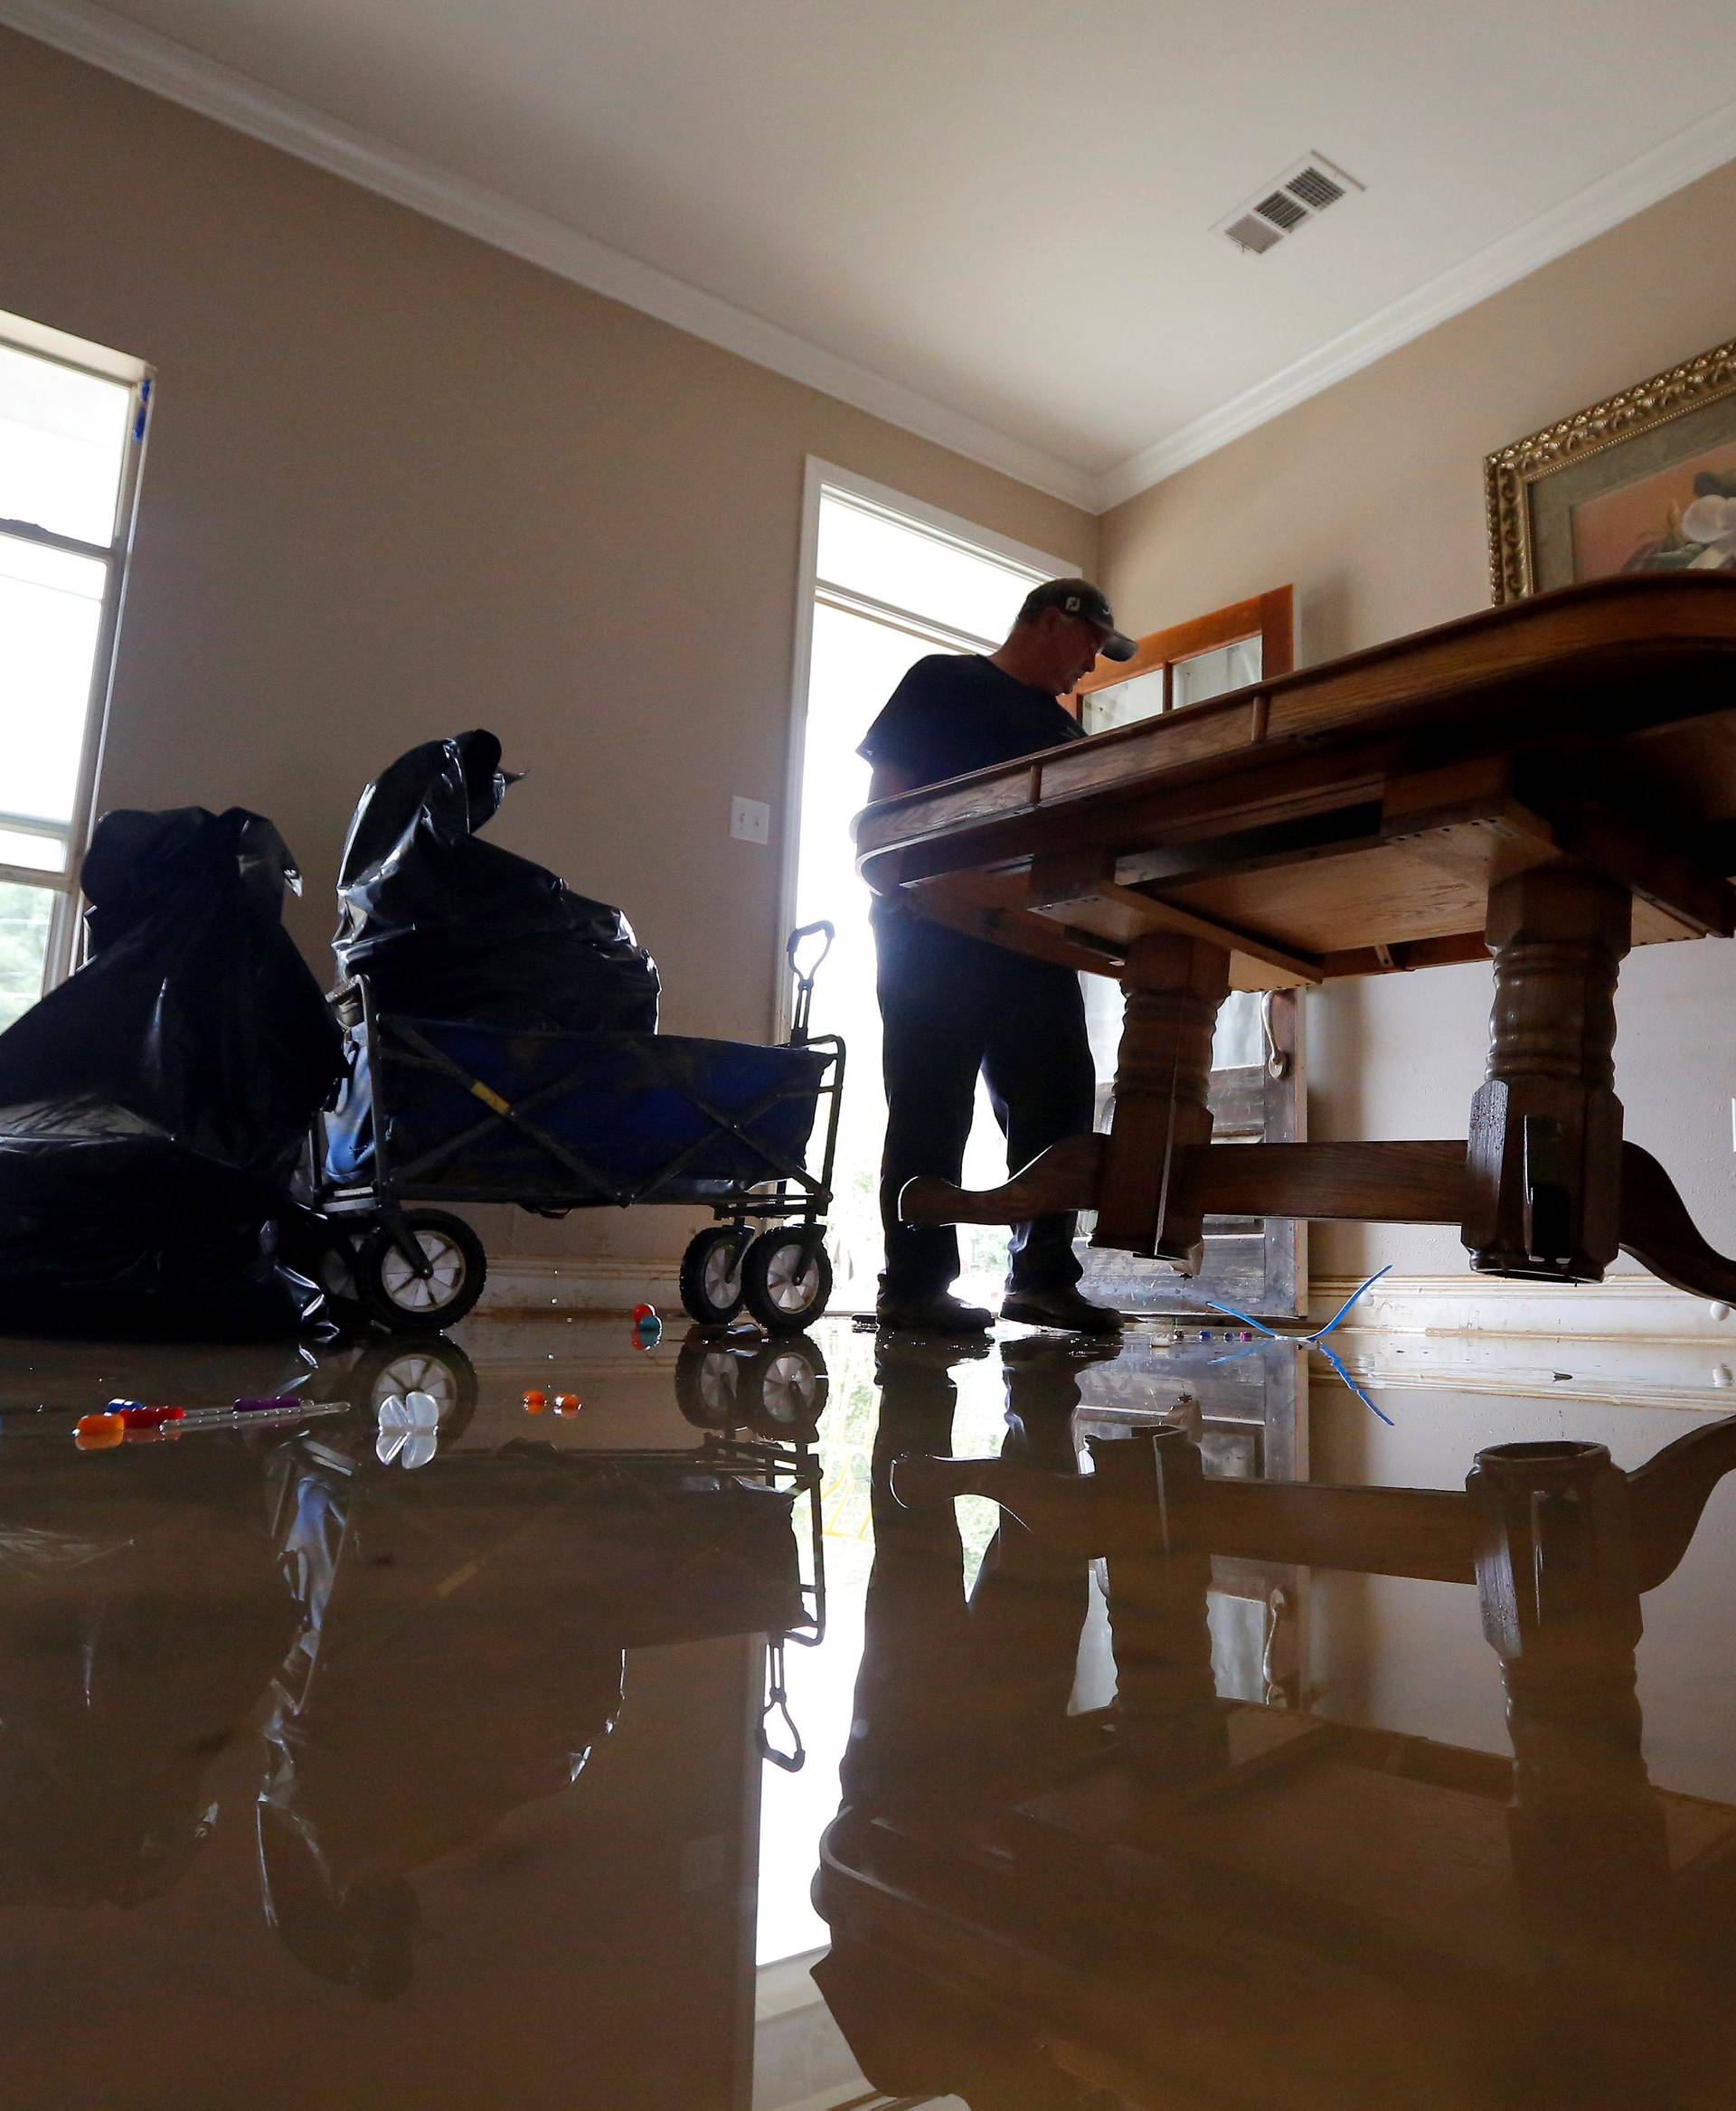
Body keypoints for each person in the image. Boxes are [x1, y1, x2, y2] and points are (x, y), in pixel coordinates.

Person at [858, 578, 1136, 1332]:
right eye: (1091, 645)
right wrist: (895, 880)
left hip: (1035, 938)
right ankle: (914, 1288)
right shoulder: (944, 681)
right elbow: (887, 803)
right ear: (1054, 620)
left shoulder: (1069, 736)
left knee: (1057, 1102)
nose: (1092, 665)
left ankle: (1041, 1278)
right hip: (933, 923)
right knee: (930, 1100)